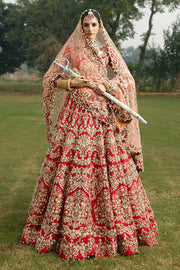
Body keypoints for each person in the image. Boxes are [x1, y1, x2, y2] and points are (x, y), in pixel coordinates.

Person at [21, 9, 158, 260]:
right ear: (80, 26)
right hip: (76, 116)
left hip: (103, 116)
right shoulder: (72, 49)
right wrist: (77, 83)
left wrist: (106, 85)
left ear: (99, 26)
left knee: (112, 168)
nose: (90, 28)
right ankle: (65, 229)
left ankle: (117, 232)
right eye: (86, 24)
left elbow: (126, 80)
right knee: (71, 168)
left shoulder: (107, 51)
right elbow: (52, 78)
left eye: (94, 24)